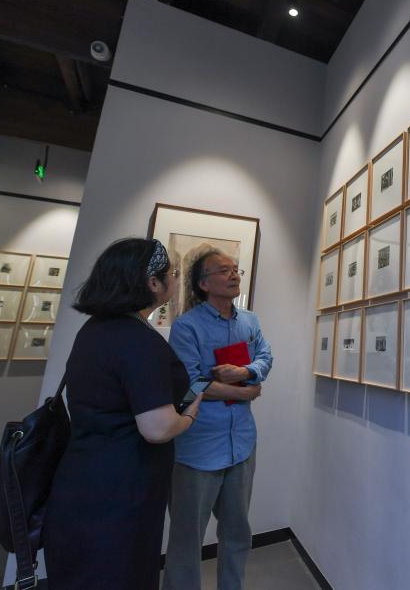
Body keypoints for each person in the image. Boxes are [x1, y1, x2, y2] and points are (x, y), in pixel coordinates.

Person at [43, 238, 202, 590]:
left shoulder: (95, 329)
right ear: (153, 283)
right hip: (122, 489)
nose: (176, 279)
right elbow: (157, 428)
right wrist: (189, 416)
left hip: (82, 478)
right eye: (172, 273)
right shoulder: (137, 340)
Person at [163, 249, 273, 590]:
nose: (234, 275)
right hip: (197, 448)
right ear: (203, 283)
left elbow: (266, 356)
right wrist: (245, 392)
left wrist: (245, 371)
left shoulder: (250, 321)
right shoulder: (186, 326)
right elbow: (191, 385)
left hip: (241, 445)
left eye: (236, 269)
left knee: (237, 532)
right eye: (224, 270)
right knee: (186, 539)